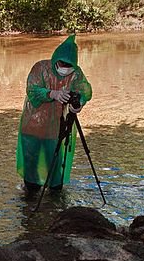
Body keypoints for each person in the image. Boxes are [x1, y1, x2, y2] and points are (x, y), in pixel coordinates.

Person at [16, 34, 93, 195]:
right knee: (32, 165)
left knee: (56, 168)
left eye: (69, 65)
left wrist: (77, 104)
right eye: (62, 64)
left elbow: (85, 91)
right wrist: (52, 94)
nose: (65, 68)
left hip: (57, 128)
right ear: (55, 59)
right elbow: (32, 90)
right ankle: (30, 196)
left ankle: (55, 199)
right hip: (33, 126)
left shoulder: (76, 73)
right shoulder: (40, 68)